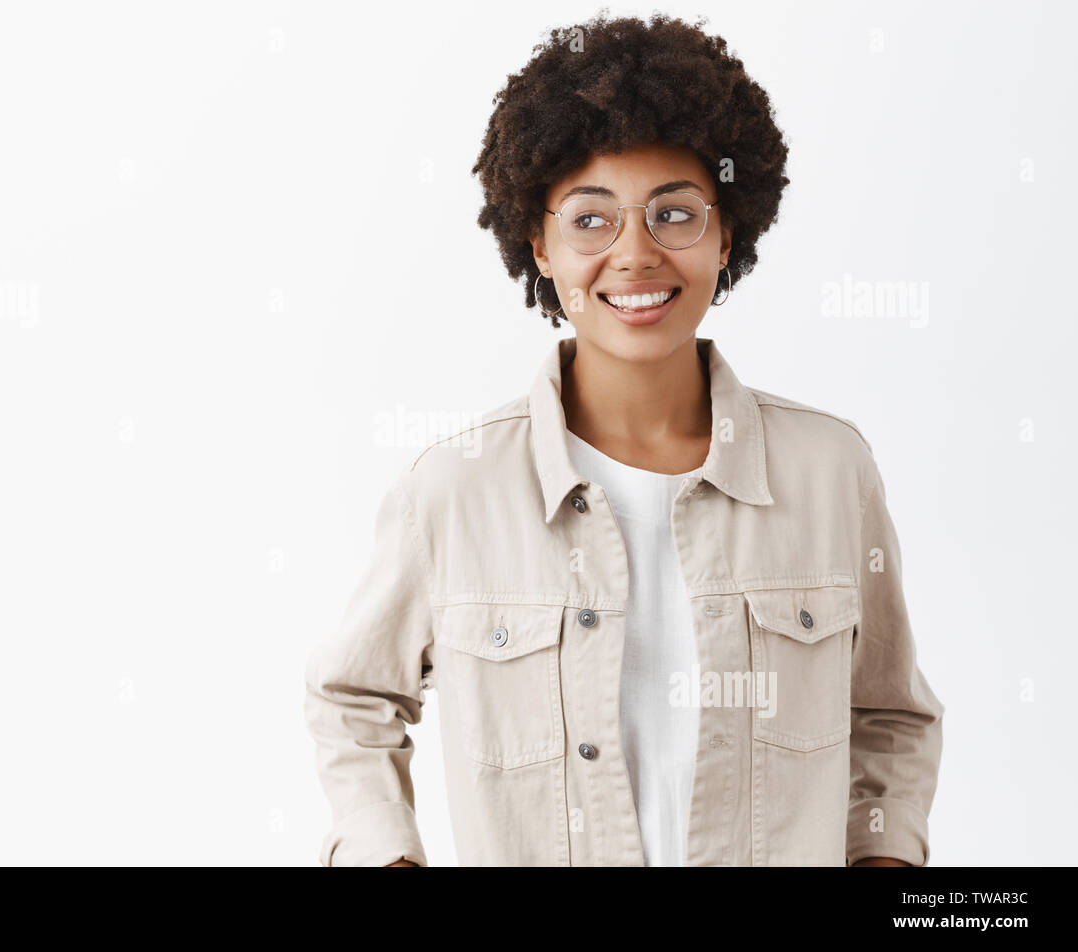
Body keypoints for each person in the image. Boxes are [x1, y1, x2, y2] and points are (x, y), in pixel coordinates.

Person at [304, 11, 943, 867]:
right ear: (539, 242)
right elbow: (351, 698)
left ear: (727, 234)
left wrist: (886, 861)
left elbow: (889, 715)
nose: (635, 256)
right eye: (592, 219)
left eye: (674, 214)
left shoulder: (831, 471)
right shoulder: (453, 488)